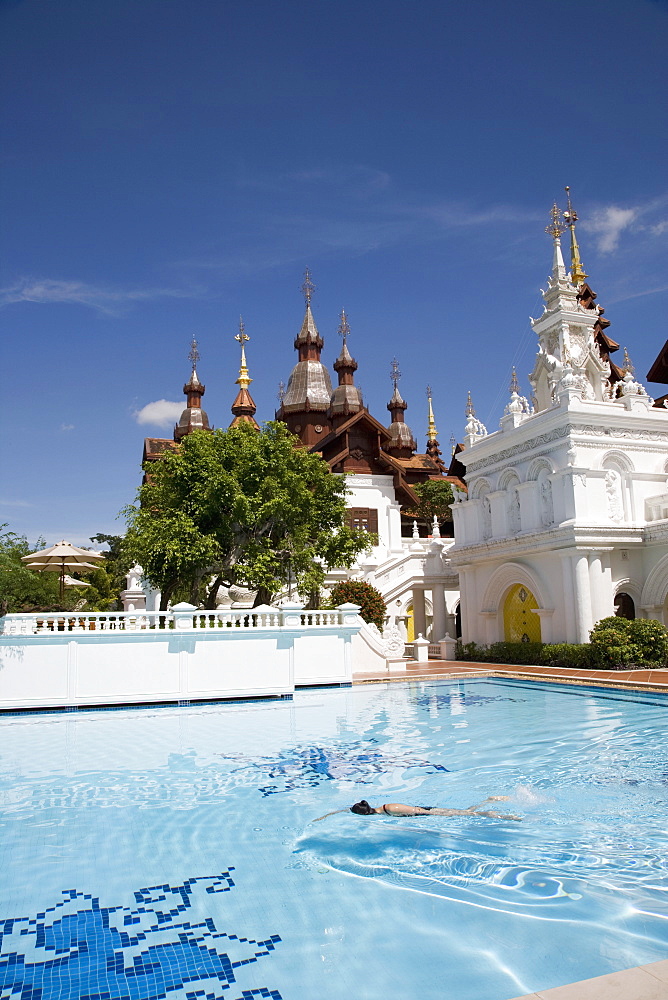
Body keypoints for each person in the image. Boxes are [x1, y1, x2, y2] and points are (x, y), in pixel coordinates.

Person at [313, 795, 521, 823]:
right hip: (427, 814)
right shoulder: (378, 811)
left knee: (466, 814)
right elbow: (344, 809)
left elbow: (416, 810)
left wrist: (434, 814)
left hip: (429, 811)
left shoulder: (390, 808)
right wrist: (325, 816)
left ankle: (499, 814)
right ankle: (488, 803)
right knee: (465, 812)